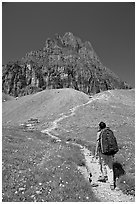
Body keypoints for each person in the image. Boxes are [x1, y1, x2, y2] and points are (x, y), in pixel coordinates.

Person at [95, 122, 115, 190]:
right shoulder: (109, 132)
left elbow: (98, 143)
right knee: (110, 167)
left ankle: (104, 177)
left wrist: (96, 152)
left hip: (103, 152)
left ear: (100, 127)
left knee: (102, 164)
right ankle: (112, 184)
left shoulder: (99, 133)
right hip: (111, 152)